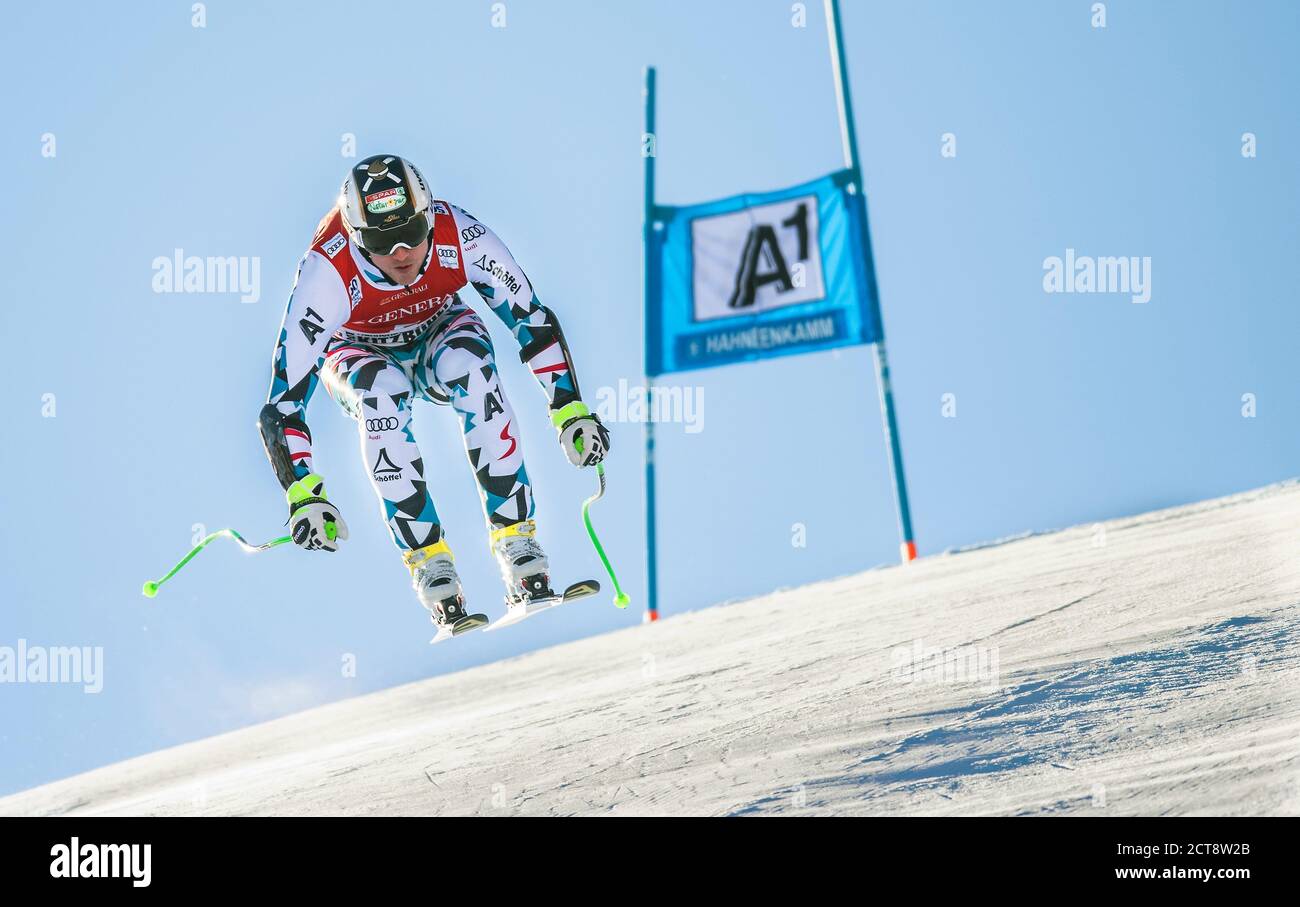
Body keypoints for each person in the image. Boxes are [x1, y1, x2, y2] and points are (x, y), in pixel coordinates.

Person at [258, 154, 610, 633]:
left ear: (429, 215)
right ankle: (431, 568)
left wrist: (569, 408)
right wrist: (302, 492)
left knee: (471, 367)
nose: (402, 251)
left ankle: (518, 543)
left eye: (413, 233)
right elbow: (283, 403)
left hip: (439, 327)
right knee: (380, 393)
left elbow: (532, 321)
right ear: (357, 237)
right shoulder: (326, 272)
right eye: (383, 242)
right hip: (359, 349)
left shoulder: (461, 234)